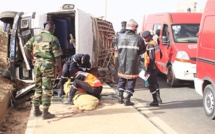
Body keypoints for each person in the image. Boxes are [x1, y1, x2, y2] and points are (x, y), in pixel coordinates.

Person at [24, 21, 63, 119]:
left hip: (37, 65)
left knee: (38, 87)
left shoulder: (35, 37)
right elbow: (57, 56)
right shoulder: (53, 39)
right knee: (47, 88)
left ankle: (36, 110)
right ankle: (45, 112)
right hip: (48, 66)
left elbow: (26, 49)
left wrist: (32, 59)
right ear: (52, 29)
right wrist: (60, 70)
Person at [116, 19, 146, 106]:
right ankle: (127, 99)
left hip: (122, 62)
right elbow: (142, 50)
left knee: (121, 79)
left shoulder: (119, 36)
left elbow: (116, 47)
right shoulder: (138, 38)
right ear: (135, 28)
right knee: (131, 81)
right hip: (132, 63)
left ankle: (120, 97)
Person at [141, 30, 162, 106]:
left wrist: (148, 70)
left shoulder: (150, 45)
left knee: (151, 84)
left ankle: (155, 101)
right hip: (155, 66)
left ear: (149, 37)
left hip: (151, 68)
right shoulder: (154, 42)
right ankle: (158, 98)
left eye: (145, 38)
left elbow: (151, 58)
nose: (144, 39)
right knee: (155, 83)